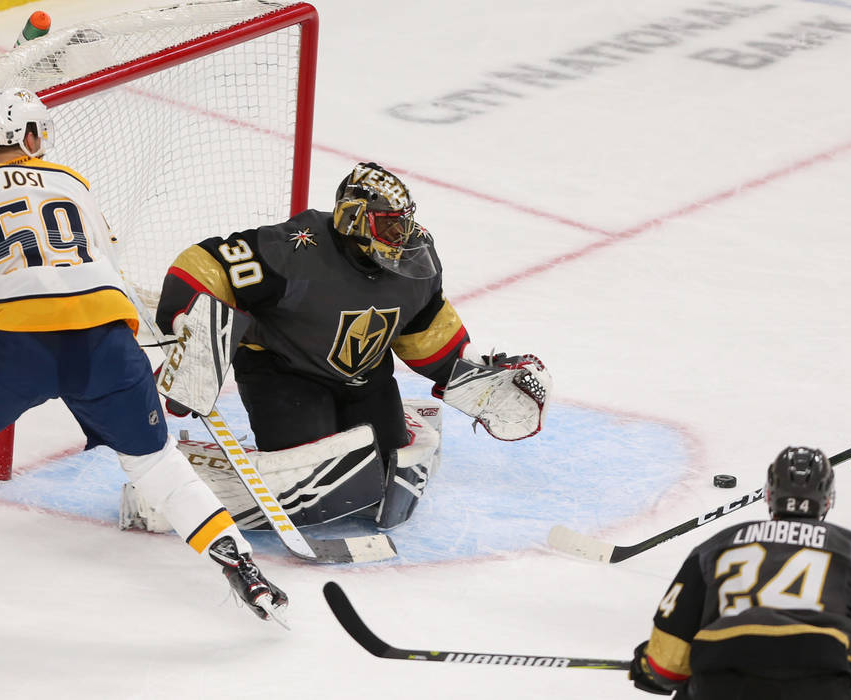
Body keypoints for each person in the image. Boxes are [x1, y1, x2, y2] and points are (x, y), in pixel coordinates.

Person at [0, 88, 286, 622]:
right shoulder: (72, 182)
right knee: (156, 463)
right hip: (109, 340)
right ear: (31, 136)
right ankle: (242, 565)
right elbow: (103, 260)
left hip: (23, 342)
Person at [150, 161, 551, 530]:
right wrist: (186, 327)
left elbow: (423, 329)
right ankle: (184, 485)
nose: (402, 237)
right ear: (353, 221)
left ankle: (400, 420)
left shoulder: (417, 259)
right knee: (315, 481)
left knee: (387, 478)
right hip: (283, 372)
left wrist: (473, 373)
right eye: (389, 226)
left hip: (365, 376)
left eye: (404, 224)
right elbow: (204, 265)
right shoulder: (293, 250)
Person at [629, 446, 851, 700]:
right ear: (828, 500)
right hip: (821, 688)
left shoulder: (715, 548)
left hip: (722, 685)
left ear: (769, 495)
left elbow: (667, 664)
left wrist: (649, 667)